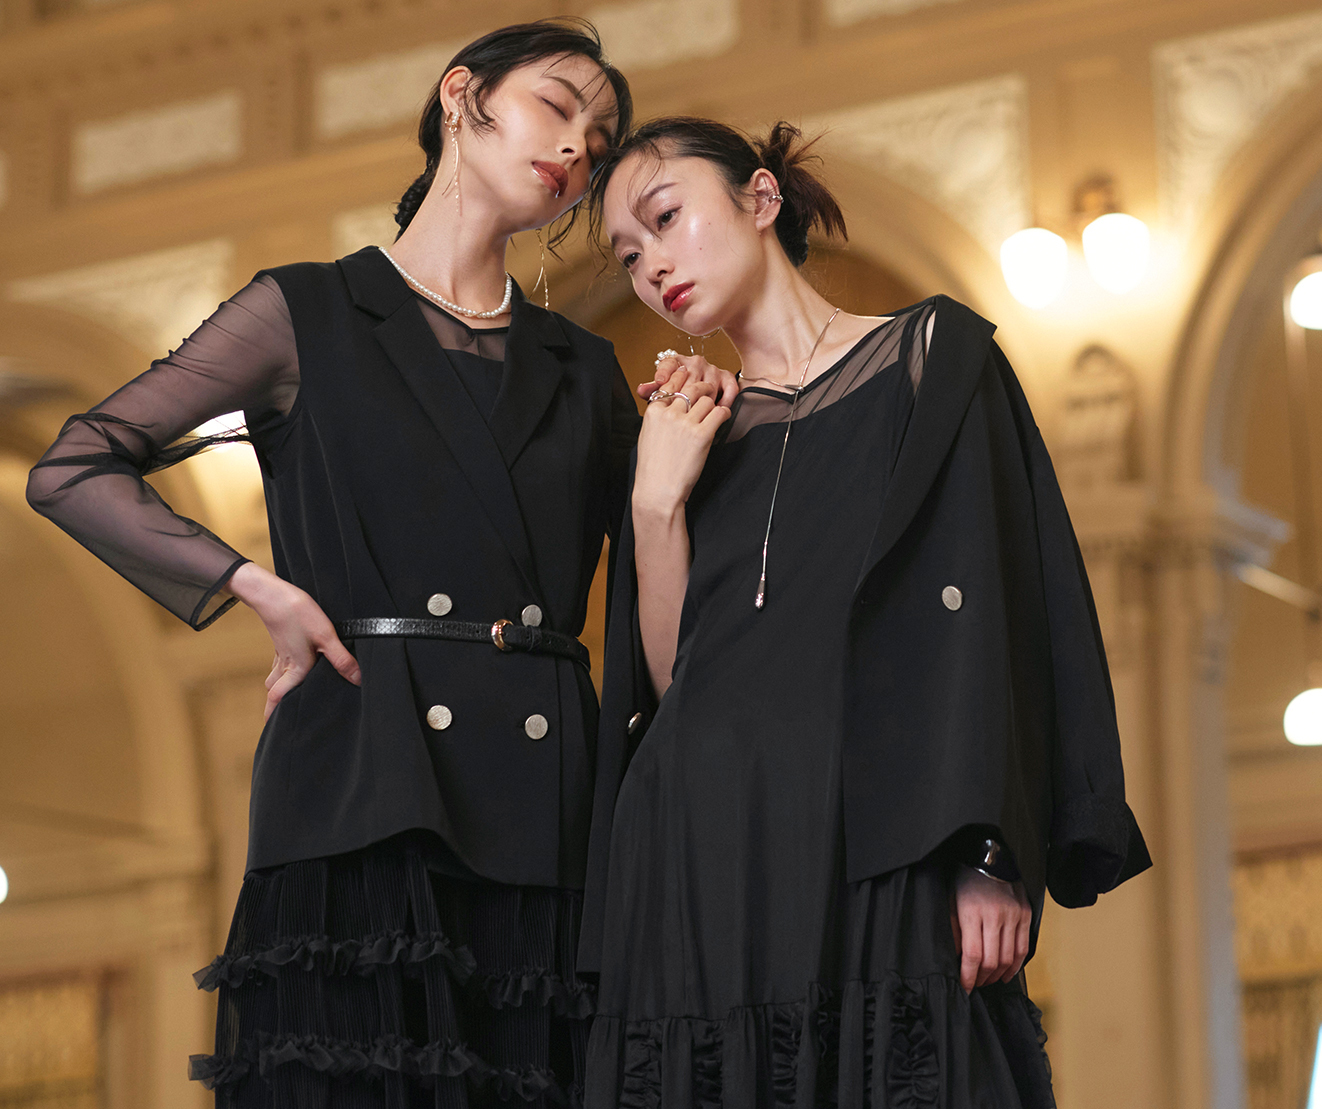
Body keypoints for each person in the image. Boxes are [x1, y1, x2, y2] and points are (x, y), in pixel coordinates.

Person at [26, 23, 728, 1108]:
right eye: (556, 108)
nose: (575, 150)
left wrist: (675, 462)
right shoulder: (304, 312)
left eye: (596, 143)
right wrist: (254, 586)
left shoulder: (583, 367)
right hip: (360, 778)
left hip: (542, 816)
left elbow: (659, 614)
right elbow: (74, 467)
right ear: (461, 97)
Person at [577, 116, 1152, 1109]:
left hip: (885, 841)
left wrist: (987, 850)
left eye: (665, 219)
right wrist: (656, 501)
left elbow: (997, 623)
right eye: (628, 255)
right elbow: (677, 686)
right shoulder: (683, 434)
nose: (651, 265)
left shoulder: (932, 361)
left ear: (762, 198)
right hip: (704, 861)